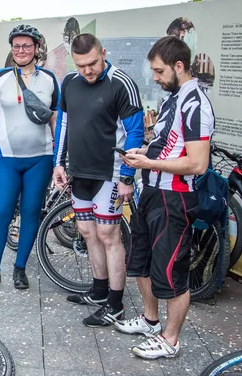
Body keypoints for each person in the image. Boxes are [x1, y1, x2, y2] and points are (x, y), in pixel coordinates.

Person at [115, 35, 214, 359]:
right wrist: (142, 152)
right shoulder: (174, 98)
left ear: (179, 66)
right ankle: (150, 320)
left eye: (159, 71)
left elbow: (198, 163)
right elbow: (170, 145)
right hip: (153, 192)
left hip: (175, 199)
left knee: (172, 273)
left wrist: (150, 162)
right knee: (141, 261)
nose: (155, 78)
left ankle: (171, 340)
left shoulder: (196, 103)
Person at [52, 34, 144, 327]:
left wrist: (128, 176)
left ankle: (115, 306)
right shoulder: (69, 82)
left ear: (103, 53)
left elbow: (136, 132)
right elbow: (64, 124)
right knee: (88, 232)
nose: (87, 71)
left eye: (92, 63)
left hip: (111, 172)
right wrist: (58, 163)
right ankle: (99, 290)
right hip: (80, 171)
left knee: (109, 236)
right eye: (81, 65)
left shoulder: (121, 82)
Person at [0, 24, 59, 290]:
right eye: (17, 46)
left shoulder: (49, 80)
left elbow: (54, 118)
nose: (21, 50)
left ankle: (20, 267)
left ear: (36, 49)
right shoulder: (0, 78)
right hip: (6, 158)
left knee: (32, 212)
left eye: (27, 46)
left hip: (40, 158)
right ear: (12, 49)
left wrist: (59, 158)